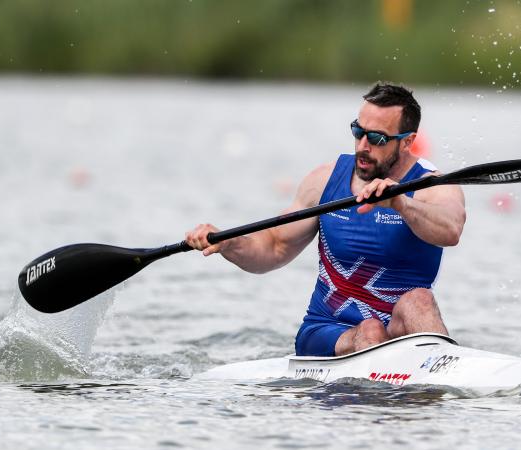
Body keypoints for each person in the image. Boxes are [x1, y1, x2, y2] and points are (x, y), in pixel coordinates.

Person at [185, 82, 466, 356]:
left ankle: (443, 373)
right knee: (370, 330)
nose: (362, 146)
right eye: (358, 131)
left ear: (407, 142)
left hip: (396, 330)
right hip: (327, 332)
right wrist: (227, 243)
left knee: (419, 301)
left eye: (377, 138)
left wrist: (401, 204)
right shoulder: (324, 182)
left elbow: (451, 228)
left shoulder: (434, 186)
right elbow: (274, 247)